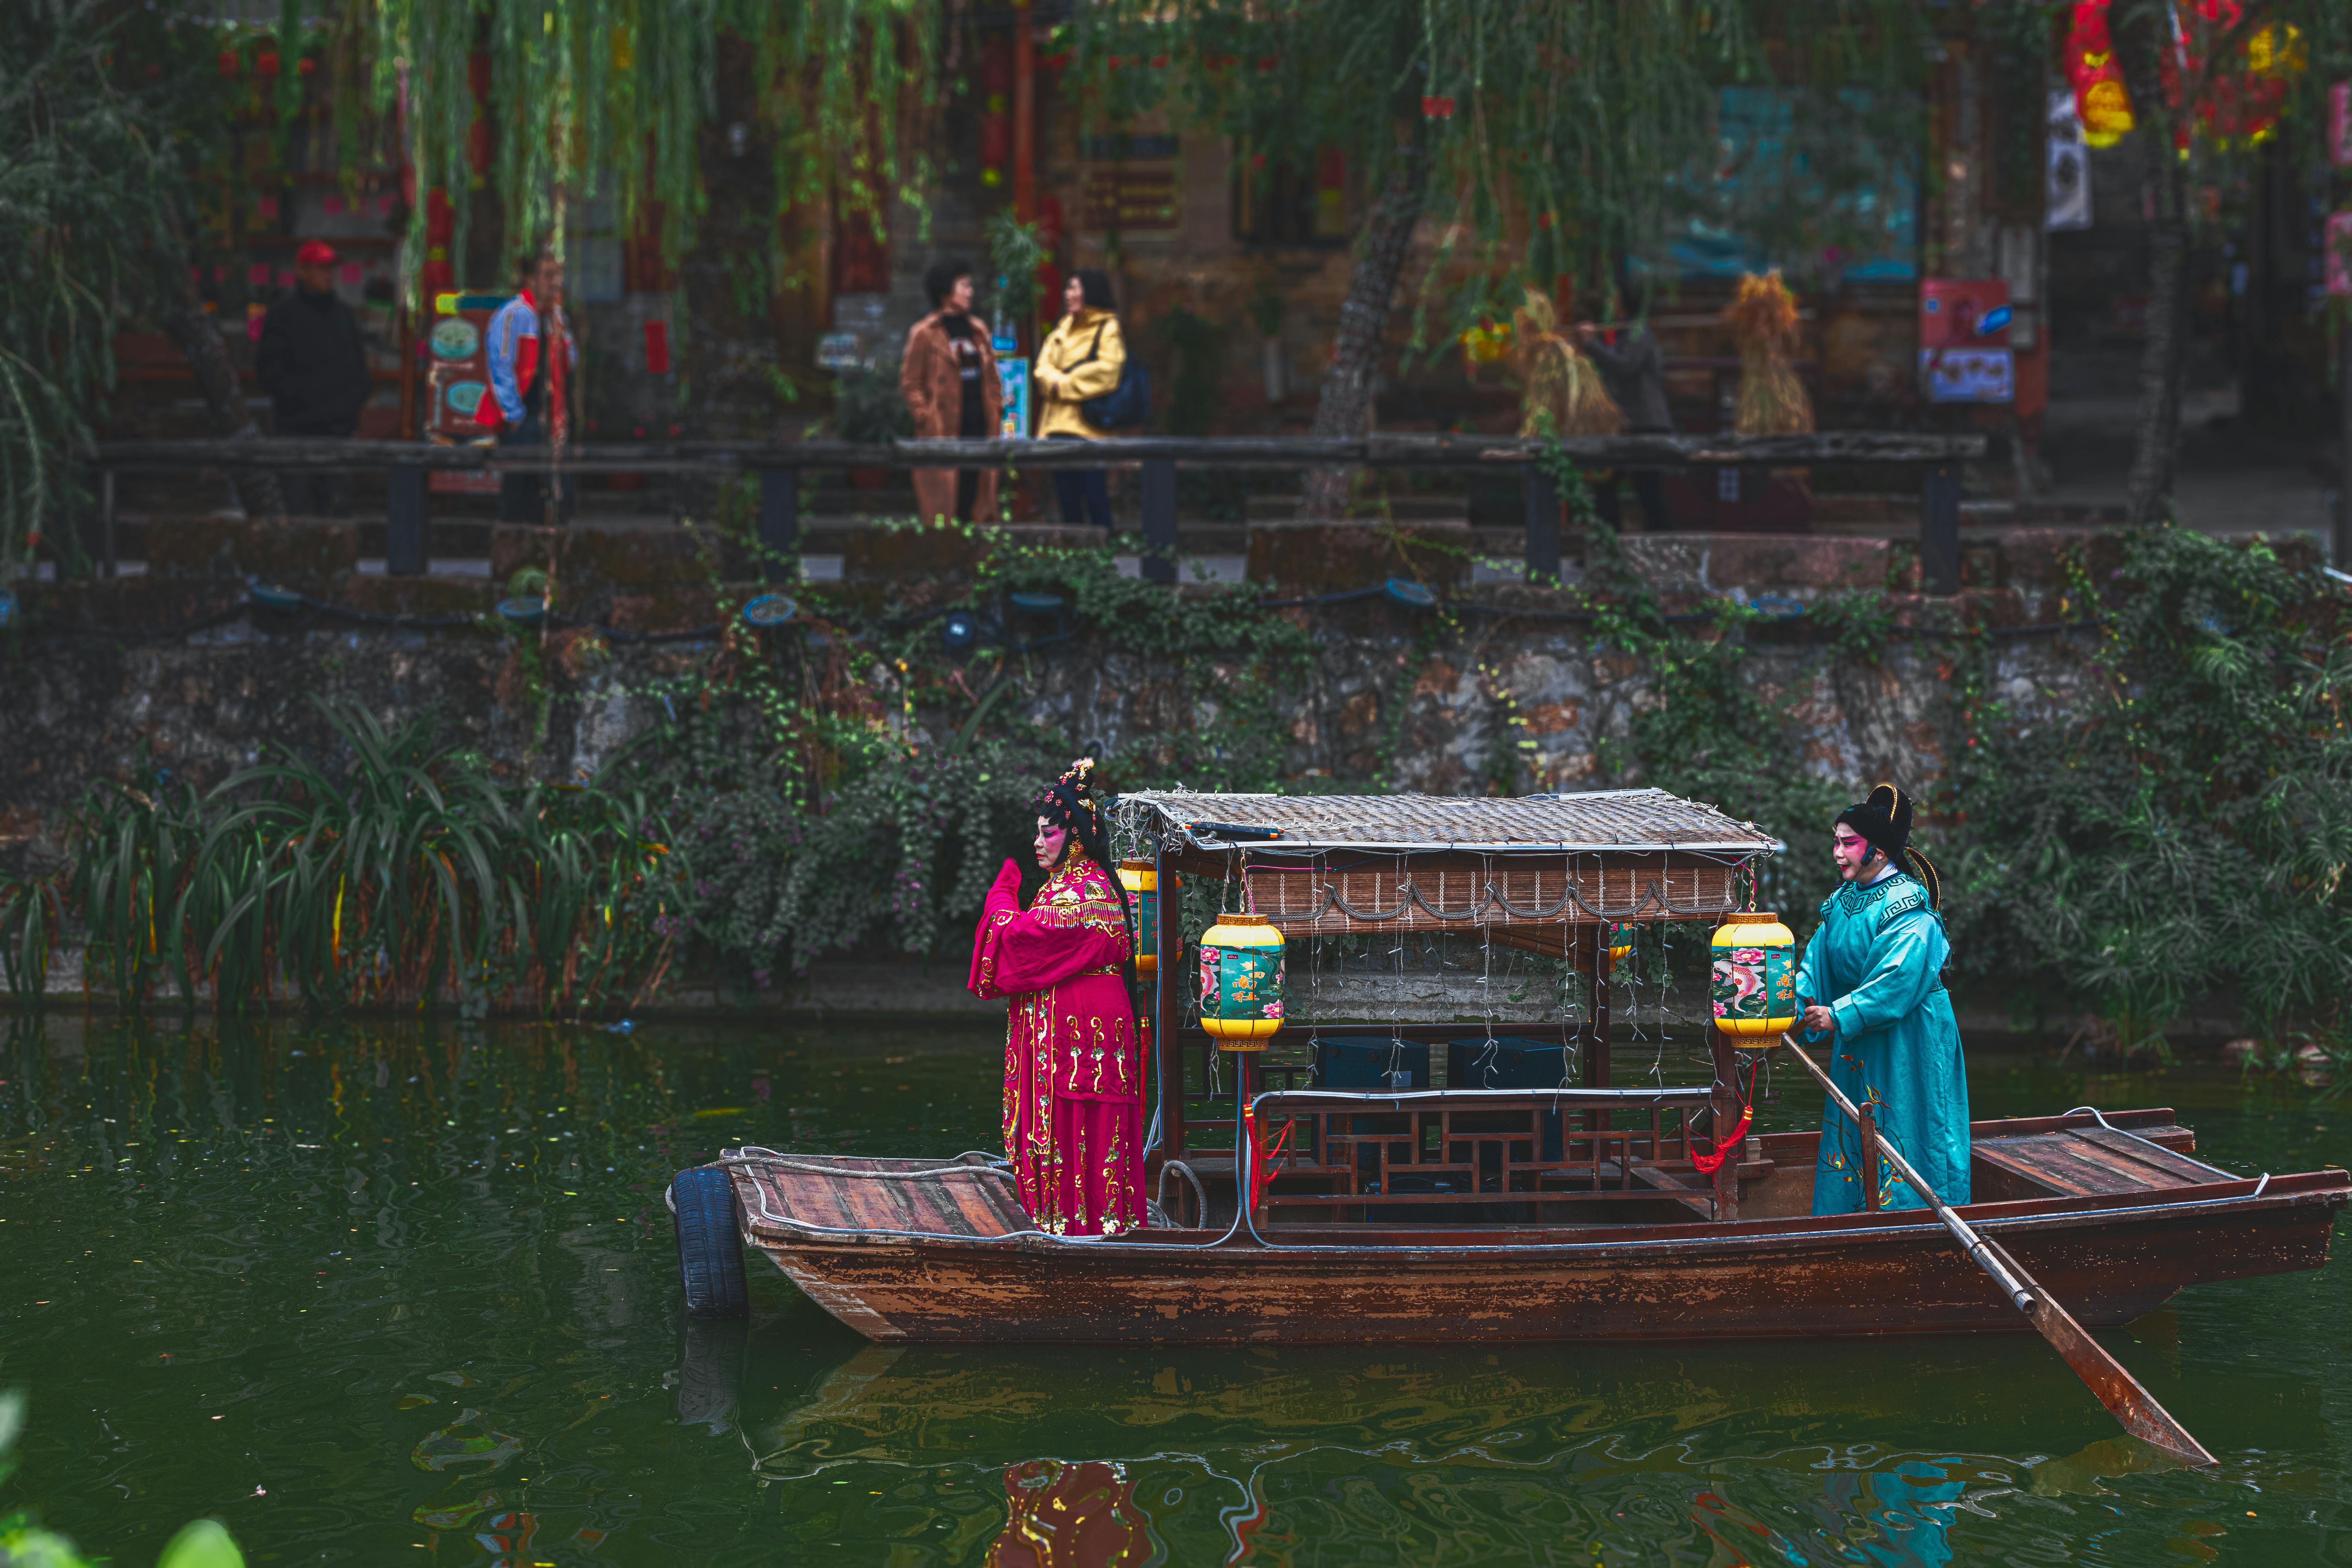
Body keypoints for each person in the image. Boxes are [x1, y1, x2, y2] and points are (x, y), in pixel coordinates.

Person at [966, 758, 1146, 1236]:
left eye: (1048, 833)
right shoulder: (1090, 885)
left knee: (1076, 1120)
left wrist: (1002, 891)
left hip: (1077, 1020)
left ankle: (1070, 1225)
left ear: (1076, 837)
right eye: (1039, 833)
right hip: (1091, 1019)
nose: (1038, 842)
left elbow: (1016, 937)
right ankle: (1101, 1222)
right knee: (1090, 1120)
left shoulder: (1075, 892)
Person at [1793, 782, 1970, 1216]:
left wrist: (1838, 1014)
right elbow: (1816, 964)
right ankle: (1851, 1215)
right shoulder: (1840, 903)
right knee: (1856, 1124)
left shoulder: (1910, 907)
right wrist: (1789, 1005)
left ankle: (1921, 1215)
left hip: (1911, 1036)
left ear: (1879, 849)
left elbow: (1897, 980)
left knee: (1911, 1119)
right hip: (1857, 1032)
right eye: (1836, 841)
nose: (1838, 852)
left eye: (1848, 843)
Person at [255, 240, 372, 516]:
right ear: (303, 272)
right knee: (297, 509)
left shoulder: (343, 315)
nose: (328, 274)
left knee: (338, 510)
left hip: (338, 433)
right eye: (321, 268)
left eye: (330, 268)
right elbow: (270, 373)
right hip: (297, 433)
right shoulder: (283, 316)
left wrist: (348, 407)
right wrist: (304, 403)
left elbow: (359, 370)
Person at [474, 247, 577, 524]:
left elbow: (571, 363)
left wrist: (562, 339)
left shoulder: (555, 317)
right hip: (524, 417)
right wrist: (513, 414)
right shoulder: (514, 315)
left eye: (557, 275)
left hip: (548, 417)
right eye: (548, 275)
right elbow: (500, 366)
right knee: (521, 490)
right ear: (530, 279)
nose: (555, 282)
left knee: (558, 487)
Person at [900, 256, 1003, 524]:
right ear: (946, 290)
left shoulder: (979, 330)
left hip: (980, 428)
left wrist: (996, 406)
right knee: (944, 506)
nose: (970, 292)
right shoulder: (924, 333)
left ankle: (976, 561)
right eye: (964, 286)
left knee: (978, 500)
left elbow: (992, 376)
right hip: (943, 432)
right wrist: (926, 417)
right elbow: (911, 383)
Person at [1575, 277, 1673, 532]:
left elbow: (1625, 366)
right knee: (1605, 486)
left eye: (1614, 298)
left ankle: (1662, 553)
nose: (1610, 303)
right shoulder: (1620, 333)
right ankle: (1607, 550)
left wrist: (1592, 345)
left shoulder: (1638, 331)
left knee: (1649, 493)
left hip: (1645, 426)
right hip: (1624, 427)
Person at [1032, 269, 1125, 530]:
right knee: (1067, 502)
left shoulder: (1108, 327)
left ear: (1090, 292)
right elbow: (1041, 368)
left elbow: (1108, 372)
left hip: (1089, 432)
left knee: (1096, 499)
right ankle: (1075, 561)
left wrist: (1061, 384)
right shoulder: (1063, 327)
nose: (1067, 294)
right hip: (1057, 429)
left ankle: (1102, 560)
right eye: (1068, 288)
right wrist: (1060, 382)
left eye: (1074, 288)